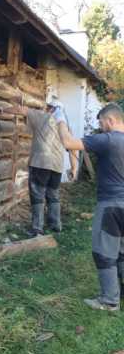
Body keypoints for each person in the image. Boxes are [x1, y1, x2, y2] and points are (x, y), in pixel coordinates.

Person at [54, 102, 124, 311]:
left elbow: (68, 142)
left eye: (102, 122)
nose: (101, 127)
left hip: (111, 204)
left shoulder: (109, 139)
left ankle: (109, 300)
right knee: (121, 251)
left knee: (104, 252)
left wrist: (60, 119)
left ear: (110, 121)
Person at [16, 100, 78, 237]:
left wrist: (1, 110)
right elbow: (74, 149)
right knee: (53, 195)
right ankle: (55, 225)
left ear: (51, 109)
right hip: (56, 166)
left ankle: (37, 229)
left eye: (47, 107)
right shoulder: (65, 126)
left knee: (37, 195)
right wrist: (74, 168)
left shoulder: (42, 116)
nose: (45, 108)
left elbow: (20, 110)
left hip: (40, 163)